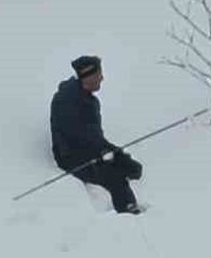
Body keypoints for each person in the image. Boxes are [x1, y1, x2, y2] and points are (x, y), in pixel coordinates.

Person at [49, 55, 145, 214]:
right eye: (99, 74)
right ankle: (128, 212)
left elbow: (94, 138)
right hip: (71, 157)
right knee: (115, 177)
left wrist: (117, 154)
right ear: (89, 76)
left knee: (132, 167)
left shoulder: (87, 99)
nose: (102, 78)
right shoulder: (66, 100)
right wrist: (104, 153)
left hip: (92, 150)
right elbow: (78, 137)